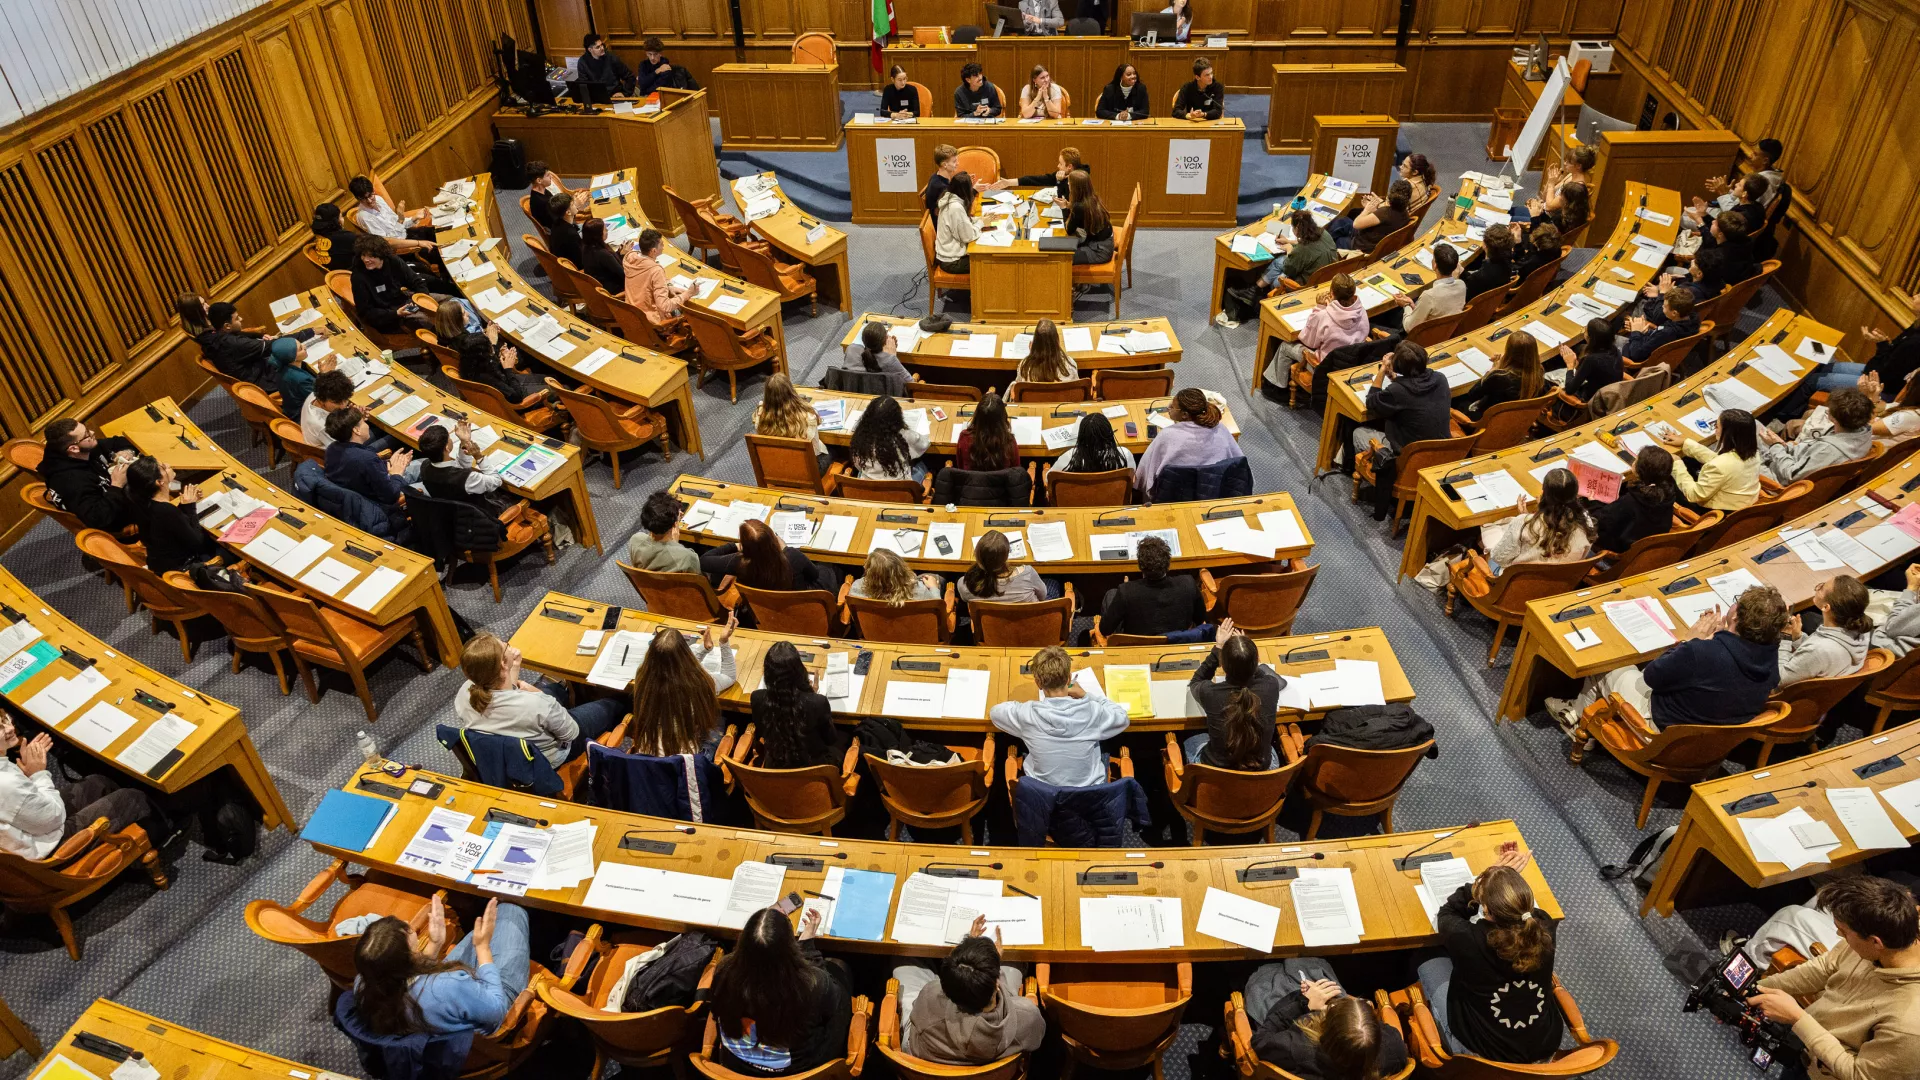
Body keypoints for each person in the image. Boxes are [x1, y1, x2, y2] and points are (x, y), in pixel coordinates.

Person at [1750, 877, 1920, 1080]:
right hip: (1812, 1049)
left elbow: (1859, 1076)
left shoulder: (1909, 1026)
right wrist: (1754, 990)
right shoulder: (1886, 939)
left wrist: (1798, 1019)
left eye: (1844, 931)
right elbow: (1824, 967)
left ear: (1876, 942)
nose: (1839, 935)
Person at [1552, 584, 1787, 730]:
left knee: (1610, 662)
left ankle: (1578, 722)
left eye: (1737, 603)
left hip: (1663, 726)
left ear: (1736, 618)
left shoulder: (1701, 652)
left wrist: (1690, 640)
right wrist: (1720, 639)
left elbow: (1650, 677)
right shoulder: (1769, 655)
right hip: (1710, 737)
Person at [1417, 851, 1563, 1063]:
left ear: (1486, 908)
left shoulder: (1469, 939)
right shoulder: (1544, 926)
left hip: (1484, 1053)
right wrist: (1504, 884)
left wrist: (1479, 886)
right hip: (1542, 1047)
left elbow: (1447, 914)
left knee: (1426, 958)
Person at [351, 896, 529, 1036]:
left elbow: (408, 979)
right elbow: (496, 1011)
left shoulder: (365, 981)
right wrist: (483, 948)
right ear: (409, 956)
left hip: (436, 1014)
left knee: (479, 933)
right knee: (512, 911)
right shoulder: (449, 986)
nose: (407, 923)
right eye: (408, 931)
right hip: (487, 1012)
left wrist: (435, 945)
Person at [710, 907, 853, 1076]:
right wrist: (806, 947)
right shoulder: (813, 984)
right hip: (799, 1071)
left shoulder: (724, 971)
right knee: (839, 970)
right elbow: (837, 1009)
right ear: (791, 948)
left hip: (737, 1068)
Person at [1, 715, 160, 859]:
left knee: (98, 783)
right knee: (132, 798)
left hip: (35, 827)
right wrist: (37, 774)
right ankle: (163, 834)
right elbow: (53, 819)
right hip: (51, 846)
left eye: (4, 720)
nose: (10, 728)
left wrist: (28, 777)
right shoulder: (7, 782)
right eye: (0, 728)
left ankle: (137, 824)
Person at [894, 915, 1045, 1065]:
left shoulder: (930, 996)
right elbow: (1036, 1036)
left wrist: (967, 954)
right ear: (997, 982)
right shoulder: (1027, 1015)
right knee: (1017, 958)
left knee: (904, 958)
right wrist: (990, 963)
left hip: (926, 1055)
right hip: (993, 1066)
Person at [455, 633, 625, 766]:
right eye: (505, 645)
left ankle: (572, 695)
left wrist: (514, 667)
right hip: (552, 757)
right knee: (611, 706)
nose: (509, 645)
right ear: (502, 665)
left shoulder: (464, 693)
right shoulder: (537, 704)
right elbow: (571, 734)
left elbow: (504, 693)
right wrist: (539, 695)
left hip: (513, 751)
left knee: (555, 689)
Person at [1243, 959, 1410, 1080]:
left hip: (1286, 1015)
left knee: (1268, 981)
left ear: (1325, 1030)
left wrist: (1304, 1003)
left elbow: (1260, 1041)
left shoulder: (1296, 1048)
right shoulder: (1394, 1049)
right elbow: (1371, 1033)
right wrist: (1359, 1011)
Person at [990, 646, 1129, 786]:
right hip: (1089, 795)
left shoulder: (1026, 714)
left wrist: (1023, 706)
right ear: (1069, 679)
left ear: (1038, 683)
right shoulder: (1093, 711)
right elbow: (1122, 717)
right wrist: (1086, 695)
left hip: (1043, 796)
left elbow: (995, 712)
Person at [629, 619, 739, 757]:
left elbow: (672, 668)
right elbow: (728, 676)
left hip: (648, 755)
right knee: (720, 719)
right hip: (687, 761)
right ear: (686, 653)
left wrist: (703, 650)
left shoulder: (643, 677)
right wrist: (723, 641)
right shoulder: (700, 683)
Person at [1186, 623, 1282, 768]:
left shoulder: (1210, 693)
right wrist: (1246, 656)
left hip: (1216, 771)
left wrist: (1218, 648)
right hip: (1261, 770)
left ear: (1223, 665)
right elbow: (1274, 678)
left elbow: (1196, 681)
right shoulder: (1271, 686)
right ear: (1256, 661)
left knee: (1192, 739)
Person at [1349, 340, 1450, 471]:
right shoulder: (1440, 378)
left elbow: (1371, 402)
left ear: (1397, 366)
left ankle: (1365, 473)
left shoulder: (1397, 391)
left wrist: (1382, 370)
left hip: (1407, 456)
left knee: (1359, 433)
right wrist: (1396, 379)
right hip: (1441, 451)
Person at [1262, 273, 1369, 393]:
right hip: (1350, 364)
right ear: (1353, 294)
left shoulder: (1324, 315)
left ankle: (1276, 388)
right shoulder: (1361, 311)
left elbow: (1308, 340)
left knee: (1285, 346)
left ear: (1331, 293)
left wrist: (1319, 308)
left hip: (1324, 367)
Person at [184, 298, 323, 387]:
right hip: (265, 381)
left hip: (253, 371)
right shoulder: (234, 344)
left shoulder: (212, 335)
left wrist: (261, 336)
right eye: (237, 319)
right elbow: (277, 345)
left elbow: (242, 333)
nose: (242, 319)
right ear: (227, 326)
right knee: (297, 355)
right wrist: (312, 331)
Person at [750, 641, 847, 769]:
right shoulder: (818, 702)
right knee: (846, 736)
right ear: (799, 670)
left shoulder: (756, 698)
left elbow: (761, 732)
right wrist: (811, 694)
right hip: (814, 768)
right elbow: (830, 739)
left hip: (775, 765)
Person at [1479, 468, 1592, 575]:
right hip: (1561, 582)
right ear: (1576, 494)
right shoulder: (1586, 523)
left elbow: (1499, 559)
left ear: (1544, 493)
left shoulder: (1524, 523)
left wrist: (1526, 517)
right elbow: (1582, 557)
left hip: (1516, 584)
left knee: (1488, 536)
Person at [1135, 388, 1243, 497]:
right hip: (1214, 495)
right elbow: (1241, 469)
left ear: (1185, 415)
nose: (1168, 408)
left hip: (1172, 498)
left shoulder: (1167, 435)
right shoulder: (1220, 429)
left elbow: (1143, 477)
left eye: (1172, 407)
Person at [323, 406, 413, 535]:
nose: (366, 425)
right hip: (378, 507)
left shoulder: (332, 448)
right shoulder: (366, 460)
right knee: (421, 467)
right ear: (356, 430)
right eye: (363, 422)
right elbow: (391, 496)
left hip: (356, 500)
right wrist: (397, 473)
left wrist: (388, 465)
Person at [1098, 536, 1204, 640]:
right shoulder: (1188, 583)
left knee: (1111, 594)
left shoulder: (1126, 591)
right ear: (1168, 563)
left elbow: (1105, 629)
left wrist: (1126, 594)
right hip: (1176, 641)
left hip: (1136, 645)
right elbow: (1201, 619)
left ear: (1140, 566)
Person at [1759, 388, 1874, 484]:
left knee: (1745, 437)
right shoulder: (1864, 432)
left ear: (1833, 418)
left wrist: (1776, 446)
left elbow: (1792, 475)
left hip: (1778, 475)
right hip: (1789, 457)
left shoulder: (1828, 450)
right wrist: (1784, 446)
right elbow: (1807, 452)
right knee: (1753, 424)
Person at [40, 418, 137, 531]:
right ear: (74, 448)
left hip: (115, 497)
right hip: (116, 521)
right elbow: (99, 518)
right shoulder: (71, 482)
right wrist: (117, 485)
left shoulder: (84, 449)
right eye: (87, 434)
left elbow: (120, 441)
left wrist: (127, 452)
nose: (92, 433)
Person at [1776, 575, 1873, 688]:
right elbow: (1818, 656)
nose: (1817, 588)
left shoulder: (1818, 650)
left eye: (1821, 587)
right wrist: (1798, 638)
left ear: (1826, 607)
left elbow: (1778, 679)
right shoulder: (1862, 628)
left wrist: (1785, 637)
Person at [1657, 407, 1761, 512]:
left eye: (1717, 426)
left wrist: (1677, 464)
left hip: (1717, 510)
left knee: (1663, 479)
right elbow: (1719, 460)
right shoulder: (1752, 452)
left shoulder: (1719, 466)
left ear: (1728, 433)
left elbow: (1694, 495)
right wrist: (1685, 443)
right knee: (1689, 461)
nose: (1715, 429)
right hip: (1742, 502)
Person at [125, 457, 218, 574]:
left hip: (160, 563)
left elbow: (168, 526)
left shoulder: (142, 503)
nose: (168, 465)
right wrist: (190, 506)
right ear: (159, 482)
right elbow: (198, 543)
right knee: (225, 549)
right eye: (163, 467)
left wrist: (184, 505)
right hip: (180, 570)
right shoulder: (166, 510)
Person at [705, 518, 838, 596]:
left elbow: (704, 560)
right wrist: (785, 548)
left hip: (765, 610)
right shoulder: (792, 556)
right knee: (828, 566)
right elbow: (815, 576)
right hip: (800, 604)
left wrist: (735, 546)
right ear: (772, 539)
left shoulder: (738, 562)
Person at [1591, 446, 1679, 555]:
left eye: (1636, 460)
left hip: (1618, 551)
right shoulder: (1669, 493)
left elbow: (1598, 521)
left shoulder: (1630, 502)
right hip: (1646, 545)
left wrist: (1594, 501)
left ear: (1638, 469)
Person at [350, 235, 433, 334]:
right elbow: (366, 313)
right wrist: (396, 313)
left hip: (404, 301)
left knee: (447, 302)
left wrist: (421, 301)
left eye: (371, 256)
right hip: (390, 317)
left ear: (381, 255)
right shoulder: (358, 277)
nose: (365, 260)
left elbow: (416, 281)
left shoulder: (393, 261)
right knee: (428, 321)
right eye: (363, 255)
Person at [1457, 330, 1544, 422]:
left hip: (1486, 420)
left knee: (1457, 399)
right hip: (1513, 420)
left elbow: (1473, 394)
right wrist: (1504, 362)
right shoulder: (1538, 371)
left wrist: (1493, 369)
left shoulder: (1500, 377)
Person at [753, 374, 829, 472]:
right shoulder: (808, 416)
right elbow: (816, 450)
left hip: (776, 470)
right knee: (836, 451)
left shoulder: (760, 417)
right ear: (791, 391)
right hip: (805, 471)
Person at [1252, 210, 1337, 294]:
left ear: (1296, 228)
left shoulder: (1301, 249)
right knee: (1279, 262)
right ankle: (1255, 289)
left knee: (1277, 273)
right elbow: (1310, 243)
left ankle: (1256, 291)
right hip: (1327, 275)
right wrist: (1289, 241)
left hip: (1306, 285)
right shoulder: (1323, 233)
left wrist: (1289, 250)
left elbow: (1288, 270)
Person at [347, 175, 436, 255]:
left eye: (370, 195)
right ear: (358, 199)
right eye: (364, 199)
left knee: (437, 232)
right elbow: (387, 242)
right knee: (435, 249)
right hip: (399, 247)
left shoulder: (378, 199)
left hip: (406, 234)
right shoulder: (364, 216)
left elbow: (397, 225)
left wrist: (414, 218)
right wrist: (418, 242)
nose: (369, 201)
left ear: (373, 190)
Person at [849, 395, 930, 482]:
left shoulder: (860, 437)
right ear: (897, 418)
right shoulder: (905, 436)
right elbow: (925, 444)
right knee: (921, 464)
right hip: (900, 488)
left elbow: (858, 465)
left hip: (868, 486)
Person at [1387, 242, 1464, 333]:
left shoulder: (1429, 296)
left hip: (1423, 338)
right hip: (1446, 331)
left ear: (1435, 265)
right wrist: (1412, 304)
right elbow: (1437, 312)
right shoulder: (1461, 285)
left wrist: (1406, 305)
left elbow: (1409, 327)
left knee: (1384, 317)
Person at [623, 227, 691, 330]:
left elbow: (646, 282)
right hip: (651, 322)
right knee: (690, 310)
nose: (664, 246)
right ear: (653, 251)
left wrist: (668, 285)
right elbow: (665, 306)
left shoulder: (630, 258)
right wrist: (687, 294)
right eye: (661, 244)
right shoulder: (656, 271)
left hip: (632, 314)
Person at [958, 530, 1049, 606]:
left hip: (989, 626)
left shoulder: (965, 584)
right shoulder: (1028, 574)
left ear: (978, 554)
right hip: (1029, 624)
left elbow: (965, 599)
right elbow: (1043, 596)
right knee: (1054, 582)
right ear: (1007, 555)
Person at [628, 490, 701, 573]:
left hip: (645, 584)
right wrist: (675, 545)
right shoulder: (687, 557)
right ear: (674, 524)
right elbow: (697, 578)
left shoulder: (636, 540)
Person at [1328, 180, 1411, 253]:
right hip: (1375, 240)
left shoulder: (1384, 213)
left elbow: (1356, 224)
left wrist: (1367, 209)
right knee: (1343, 221)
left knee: (1340, 236)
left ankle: (1325, 246)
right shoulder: (1404, 212)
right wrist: (1379, 205)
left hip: (1363, 247)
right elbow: (1386, 218)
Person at [1621, 289, 1700, 364]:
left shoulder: (1667, 333)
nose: (1662, 306)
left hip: (1637, 357)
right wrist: (1647, 331)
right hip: (1651, 345)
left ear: (1674, 313)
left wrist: (1636, 332)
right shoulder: (1692, 319)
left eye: (1665, 306)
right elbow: (1659, 336)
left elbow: (1636, 354)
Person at [839, 321, 913, 396]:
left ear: (863, 339)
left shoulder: (851, 349)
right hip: (881, 396)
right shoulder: (889, 361)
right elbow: (910, 383)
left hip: (853, 393)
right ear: (885, 340)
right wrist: (893, 356)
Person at [1557, 320, 1623, 402]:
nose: (1584, 331)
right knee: (1580, 348)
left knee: (1548, 377)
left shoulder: (1592, 360)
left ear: (1590, 338)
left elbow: (1570, 389)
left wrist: (1570, 365)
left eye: (1585, 330)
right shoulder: (1615, 350)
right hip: (1610, 394)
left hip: (1593, 400)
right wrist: (1577, 365)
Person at [849, 547, 942, 604]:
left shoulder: (857, 588)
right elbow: (937, 612)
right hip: (913, 633)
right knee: (935, 577)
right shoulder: (920, 591)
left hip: (876, 632)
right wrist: (934, 588)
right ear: (901, 568)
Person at [1053, 411, 1134, 474]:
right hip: (1114, 495)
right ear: (1109, 433)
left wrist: (1045, 470)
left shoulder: (1069, 458)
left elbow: (1049, 479)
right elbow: (1132, 478)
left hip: (1078, 495)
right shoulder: (1125, 454)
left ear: (1081, 435)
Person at [957, 392, 1019, 471]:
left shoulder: (964, 437)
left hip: (972, 482)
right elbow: (1016, 472)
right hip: (1001, 483)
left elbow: (960, 467)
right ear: (1002, 417)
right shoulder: (1009, 441)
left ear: (977, 416)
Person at [934, 171, 980, 274]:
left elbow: (962, 222)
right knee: (988, 262)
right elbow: (967, 237)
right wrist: (980, 224)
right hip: (952, 261)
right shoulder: (956, 208)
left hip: (948, 254)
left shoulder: (949, 197)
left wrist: (979, 220)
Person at [1063, 171, 1113, 265]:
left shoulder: (1079, 207)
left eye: (1069, 184)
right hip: (1103, 242)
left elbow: (1069, 230)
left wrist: (1063, 208)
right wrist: (1070, 206)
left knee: (1062, 258)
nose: (1068, 185)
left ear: (1075, 188)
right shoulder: (1093, 198)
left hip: (1099, 251)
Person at [1005, 148, 1087, 201]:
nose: (1058, 166)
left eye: (1060, 164)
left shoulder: (1080, 180)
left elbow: (1063, 199)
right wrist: (1009, 182)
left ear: (1069, 166)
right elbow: (1039, 180)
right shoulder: (1066, 174)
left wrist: (1060, 182)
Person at [1460, 224, 1517, 300]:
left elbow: (1467, 290)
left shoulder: (1480, 276)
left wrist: (1461, 272)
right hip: (1494, 298)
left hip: (1475, 301)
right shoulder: (1508, 261)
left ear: (1484, 245)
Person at [301, 370, 356, 449]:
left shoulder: (316, 394)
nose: (343, 406)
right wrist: (357, 421)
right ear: (321, 400)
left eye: (346, 399)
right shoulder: (323, 425)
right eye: (337, 402)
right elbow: (344, 448)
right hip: (331, 454)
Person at [1014, 319, 1076, 384]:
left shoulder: (1024, 366)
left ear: (1035, 343)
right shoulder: (1070, 364)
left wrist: (1032, 353)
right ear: (1057, 340)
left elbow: (1017, 389)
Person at [575, 218, 626, 295]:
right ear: (597, 235)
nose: (607, 231)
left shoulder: (586, 246)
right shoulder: (603, 254)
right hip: (613, 289)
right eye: (605, 230)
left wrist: (620, 254)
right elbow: (623, 273)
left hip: (599, 285)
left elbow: (609, 264)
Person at [575, 33, 634, 99]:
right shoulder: (583, 62)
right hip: (596, 98)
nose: (602, 48)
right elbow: (584, 85)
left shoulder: (611, 58)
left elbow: (630, 77)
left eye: (602, 45)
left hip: (615, 95)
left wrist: (624, 93)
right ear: (590, 50)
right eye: (598, 47)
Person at [1520, 181, 1588, 237]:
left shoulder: (1562, 219)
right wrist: (1541, 212)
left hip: (1541, 244)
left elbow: (1538, 236)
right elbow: (1548, 223)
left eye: (1561, 195)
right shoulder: (1577, 211)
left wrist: (1534, 216)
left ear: (1567, 201)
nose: (1559, 197)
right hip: (1547, 237)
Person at [310, 203, 359, 270]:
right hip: (351, 275)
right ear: (337, 221)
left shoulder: (318, 237)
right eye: (341, 216)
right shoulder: (348, 238)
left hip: (336, 276)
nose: (342, 219)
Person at [545, 190, 587, 267]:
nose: (576, 205)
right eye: (573, 204)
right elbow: (581, 260)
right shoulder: (571, 234)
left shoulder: (557, 222)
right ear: (568, 213)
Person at [526, 162, 568, 233]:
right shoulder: (541, 202)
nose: (551, 177)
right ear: (539, 180)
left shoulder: (544, 191)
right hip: (562, 232)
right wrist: (575, 206)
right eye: (548, 175)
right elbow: (559, 222)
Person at [924, 144, 962, 214]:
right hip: (944, 222)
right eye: (954, 161)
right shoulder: (941, 187)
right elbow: (956, 209)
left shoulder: (936, 175)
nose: (958, 163)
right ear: (944, 165)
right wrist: (973, 191)